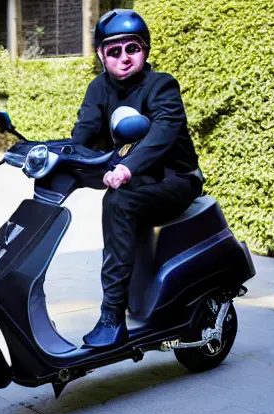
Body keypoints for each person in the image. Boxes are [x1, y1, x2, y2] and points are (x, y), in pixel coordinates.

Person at [72, 9, 204, 348]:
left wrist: (129, 167)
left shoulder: (162, 85)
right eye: (113, 51)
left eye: (132, 48)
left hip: (175, 180)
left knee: (117, 201)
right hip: (134, 181)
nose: (124, 58)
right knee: (119, 198)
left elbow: (162, 132)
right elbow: (84, 131)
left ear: (144, 50)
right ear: (101, 54)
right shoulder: (98, 88)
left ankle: (112, 317)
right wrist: (57, 157)